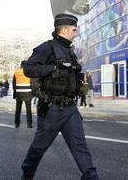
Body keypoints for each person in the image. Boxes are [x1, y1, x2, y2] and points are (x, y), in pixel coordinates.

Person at [20, 13, 99, 180]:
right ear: (63, 30)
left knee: (80, 146)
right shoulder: (47, 48)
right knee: (39, 147)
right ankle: (27, 172)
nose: (76, 33)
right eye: (74, 29)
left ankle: (91, 176)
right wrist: (53, 68)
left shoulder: (70, 51)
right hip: (52, 110)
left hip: (70, 108)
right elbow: (29, 69)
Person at [13, 61, 33, 128]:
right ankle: (29, 124)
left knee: (18, 109)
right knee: (28, 110)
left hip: (19, 94)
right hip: (28, 94)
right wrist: (33, 93)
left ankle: (17, 124)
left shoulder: (16, 73)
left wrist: (15, 93)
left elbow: (14, 84)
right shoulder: (29, 73)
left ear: (21, 65)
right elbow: (32, 84)